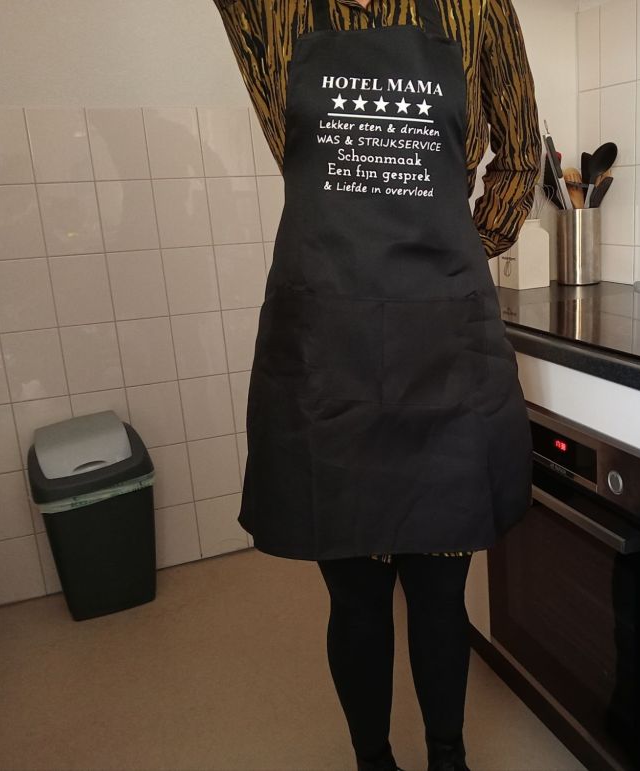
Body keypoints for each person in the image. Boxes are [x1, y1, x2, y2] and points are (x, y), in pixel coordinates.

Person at [211, 0, 541, 769]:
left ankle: (448, 756)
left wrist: (460, 248)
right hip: (330, 343)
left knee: (440, 589)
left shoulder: (478, 7)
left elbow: (523, 155)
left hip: (441, 341)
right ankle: (374, 761)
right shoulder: (268, 8)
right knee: (355, 594)